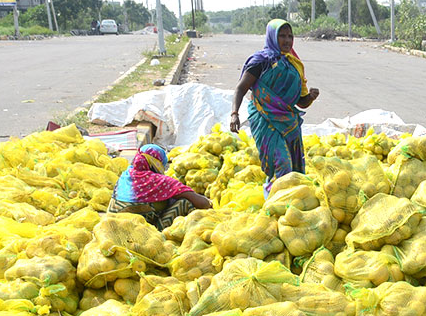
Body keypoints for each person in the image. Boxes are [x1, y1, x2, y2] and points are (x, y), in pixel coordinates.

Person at [230, 19, 321, 190]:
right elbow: (241, 88)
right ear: (272, 36)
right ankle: (277, 202)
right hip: (264, 118)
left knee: (292, 169)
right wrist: (234, 114)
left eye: (290, 36)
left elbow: (301, 103)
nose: (287, 40)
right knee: (281, 164)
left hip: (288, 122)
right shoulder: (260, 61)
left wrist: (310, 97)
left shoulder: (294, 64)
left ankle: (285, 200)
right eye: (282, 36)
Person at [107, 144, 211, 230]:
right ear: (157, 163)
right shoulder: (160, 181)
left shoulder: (126, 175)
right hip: (139, 230)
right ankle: (164, 231)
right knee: (185, 203)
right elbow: (203, 203)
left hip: (112, 224)